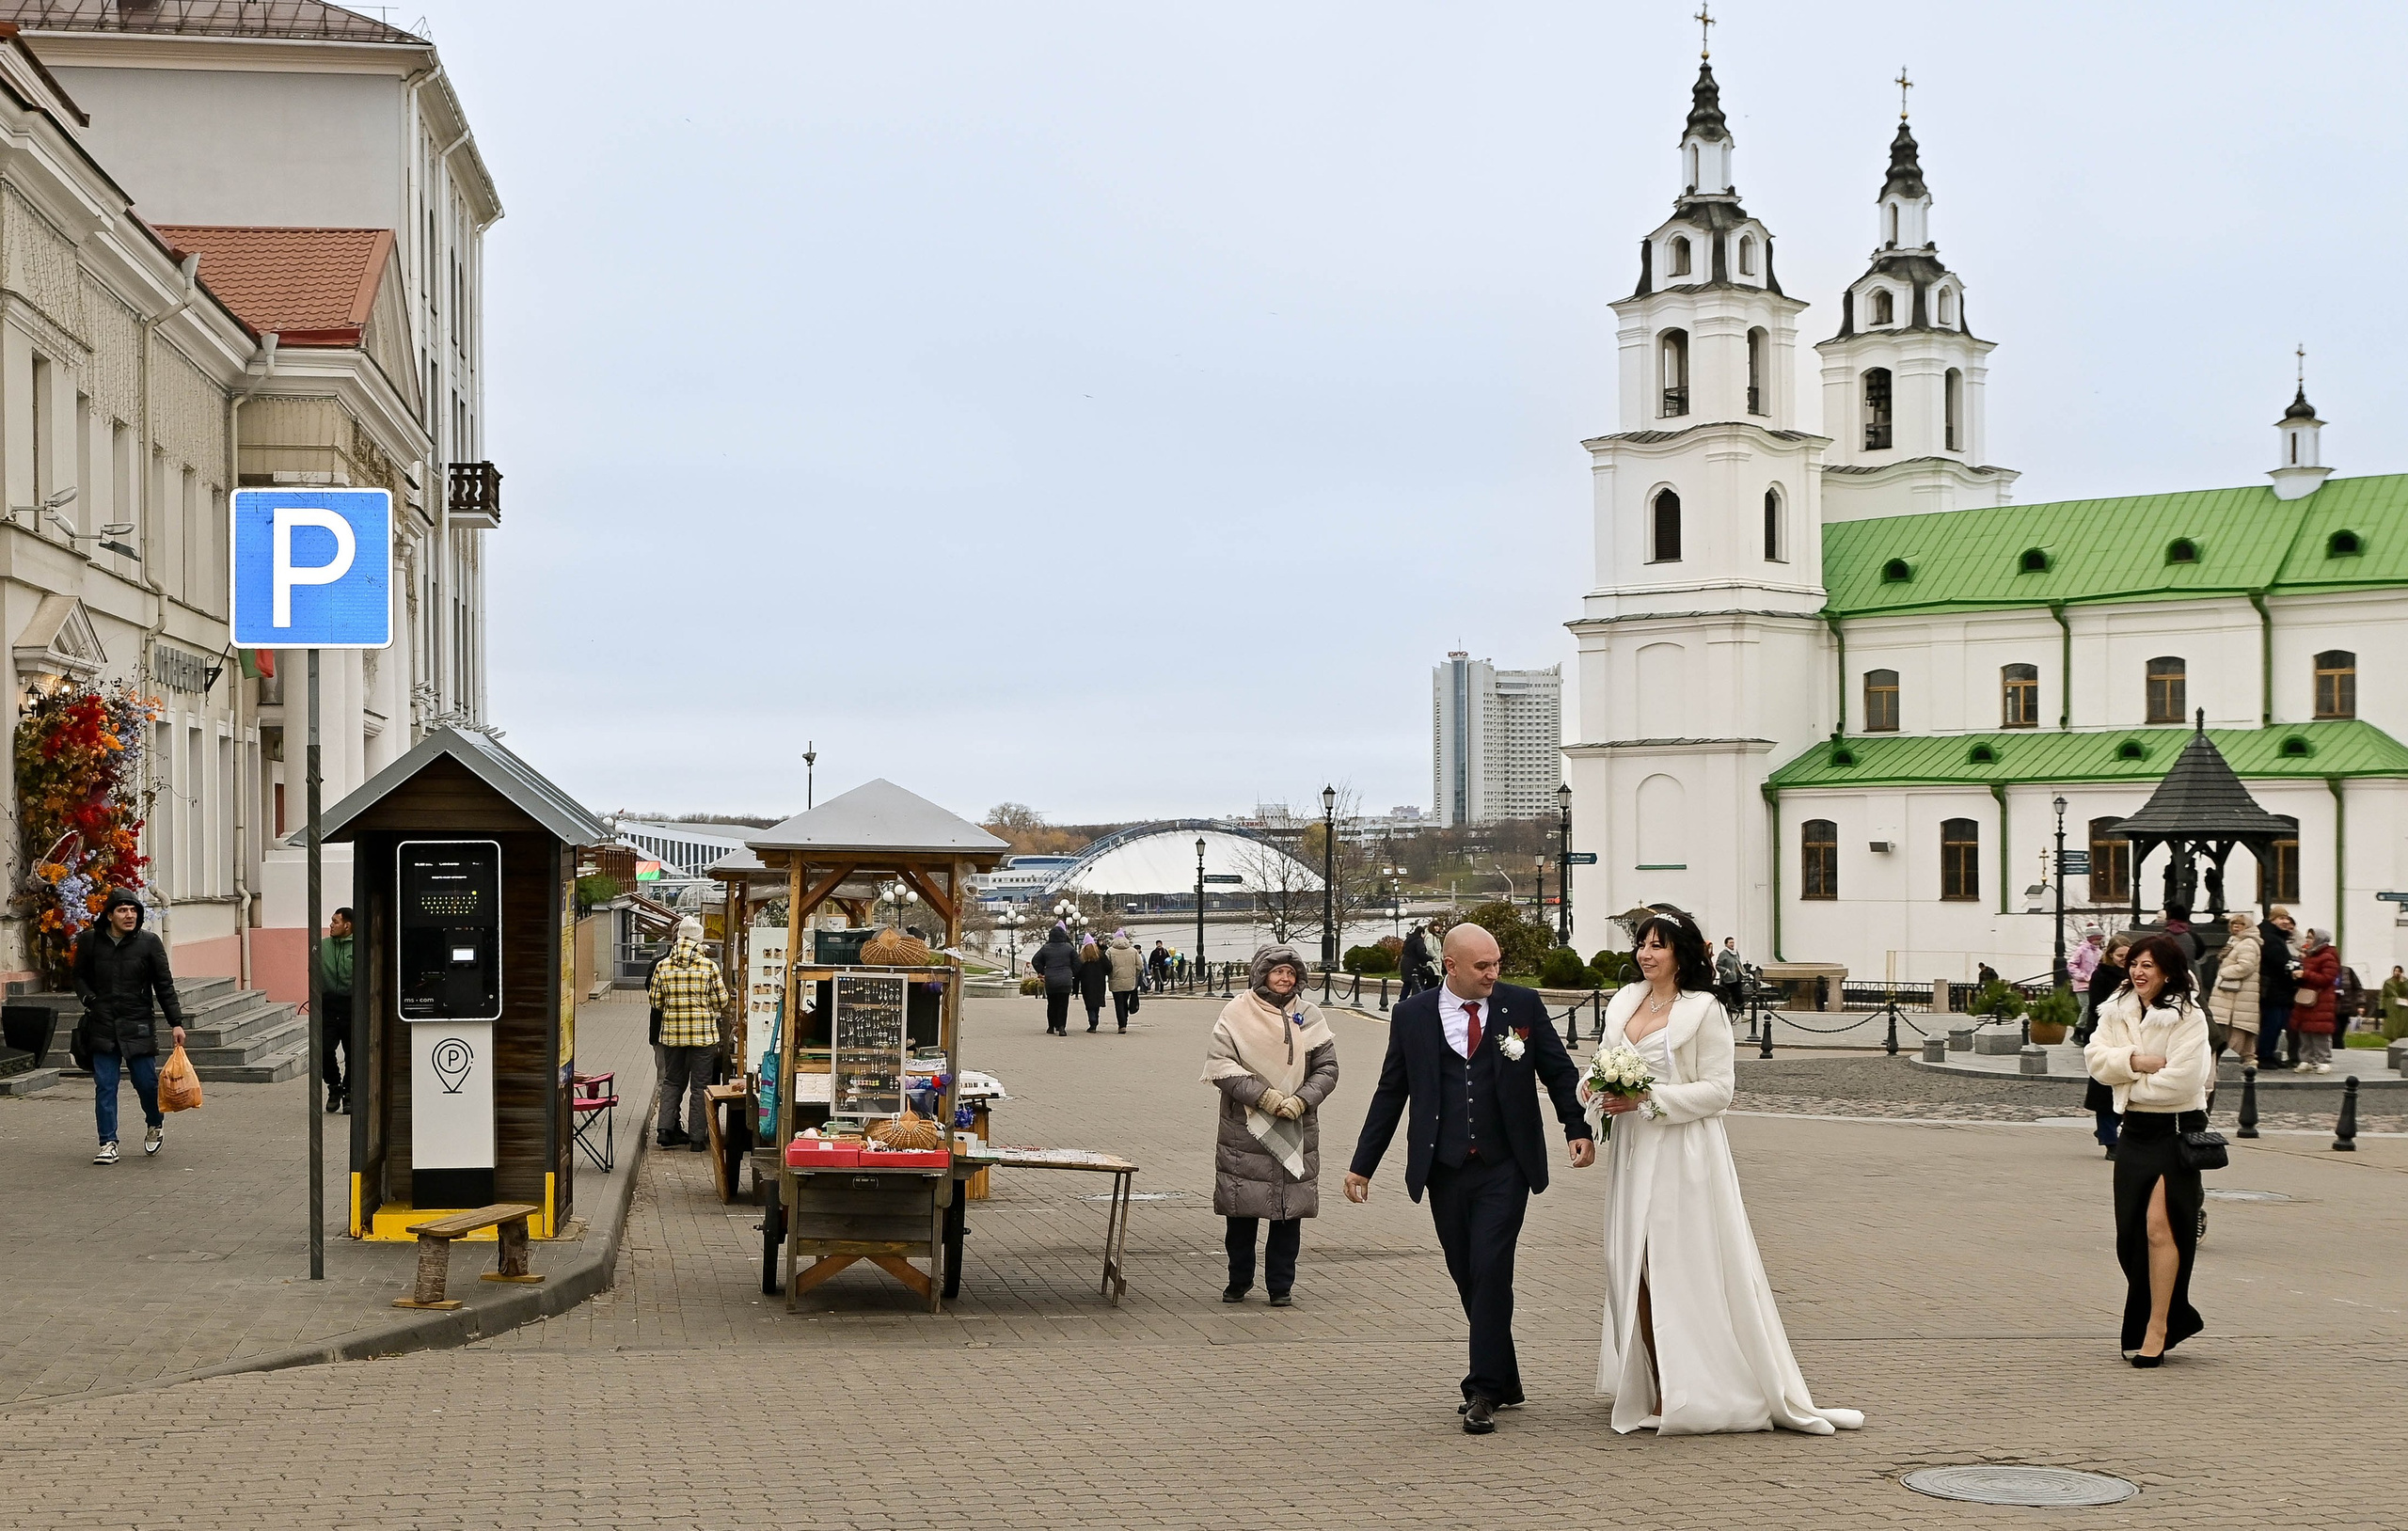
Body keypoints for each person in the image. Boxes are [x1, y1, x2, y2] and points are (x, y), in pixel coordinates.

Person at [1582, 911, 1861, 1436]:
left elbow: (1718, 1091)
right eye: (1642, 944)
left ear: (1681, 953)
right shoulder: (1624, 1001)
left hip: (1683, 1154)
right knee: (1632, 1265)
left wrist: (1648, 1098)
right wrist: (1594, 1091)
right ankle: (1652, 1380)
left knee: (1675, 1265)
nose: (1646, 954)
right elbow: (1603, 1063)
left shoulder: (1703, 1010)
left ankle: (1690, 1386)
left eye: (1658, 946)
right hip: (1633, 1153)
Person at [1346, 923, 1594, 1435]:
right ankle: (1506, 1378)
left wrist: (1577, 1126)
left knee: (1490, 1265)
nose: (1492, 973)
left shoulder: (1520, 1006)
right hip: (1445, 1167)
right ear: (1450, 966)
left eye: (1497, 963)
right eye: (1482, 966)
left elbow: (1558, 1070)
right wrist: (1362, 1163)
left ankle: (1482, 1388)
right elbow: (1391, 1092)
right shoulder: (1412, 1015)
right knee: (1467, 1272)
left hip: (1506, 1165)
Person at [2083, 931, 2213, 1365]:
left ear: (2167, 971)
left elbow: (2183, 1080)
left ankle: (2158, 1327)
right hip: (2134, 1132)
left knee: (2162, 1227)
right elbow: (2096, 1060)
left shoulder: (2188, 1015)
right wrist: (2135, 1063)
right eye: (2134, 964)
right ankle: (2165, 1316)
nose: (2138, 972)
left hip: (2176, 1129)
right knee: (2130, 1237)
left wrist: (2126, 1080)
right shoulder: (2115, 1009)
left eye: (2147, 966)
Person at [1202, 945, 1339, 1307]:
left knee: (1287, 1210)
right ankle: (1238, 1280)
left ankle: (1281, 1286)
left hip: (1297, 1123)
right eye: (1277, 972)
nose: (1284, 978)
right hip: (1244, 1128)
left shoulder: (1308, 1015)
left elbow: (1327, 1069)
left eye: (1291, 973)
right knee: (1242, 1209)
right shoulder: (1235, 1013)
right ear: (1261, 974)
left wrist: (1301, 1099)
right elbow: (1221, 1066)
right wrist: (1263, 1097)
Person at [72, 889, 188, 1165]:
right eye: (123, 910)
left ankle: (154, 1123)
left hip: (138, 1023)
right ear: (110, 915)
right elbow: (78, 976)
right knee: (105, 1085)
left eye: (134, 910)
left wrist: (176, 1023)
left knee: (146, 1083)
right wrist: (90, 999)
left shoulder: (149, 943)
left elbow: (164, 985)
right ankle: (108, 1142)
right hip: (102, 1024)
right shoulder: (90, 941)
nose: (130, 915)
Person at [647, 918, 728, 1151]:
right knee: (700, 1085)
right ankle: (696, 1139)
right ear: (698, 940)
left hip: (672, 1036)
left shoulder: (663, 966)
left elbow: (655, 1001)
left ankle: (664, 1130)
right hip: (703, 1037)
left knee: (672, 1081)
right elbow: (721, 1000)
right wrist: (706, 1007)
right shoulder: (708, 966)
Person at [2080, 932, 2134, 1158]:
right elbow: (2096, 1006)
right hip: (2105, 1035)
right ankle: (2110, 1140)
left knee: (2125, 1090)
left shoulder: (2135, 974)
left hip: (2129, 1037)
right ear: (2110, 955)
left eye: (2127, 955)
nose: (2123, 959)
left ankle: (2108, 1130)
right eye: (2119, 955)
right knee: (2104, 1092)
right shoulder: (2101, 975)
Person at [2211, 913, 2262, 1069]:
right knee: (2241, 1028)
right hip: (2238, 993)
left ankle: (2230, 1063)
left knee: (2238, 1028)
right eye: (2233, 924)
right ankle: (2248, 1059)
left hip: (2239, 994)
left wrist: (2224, 972)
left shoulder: (2247, 943)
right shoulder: (2237, 941)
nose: (2236, 927)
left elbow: (2246, 966)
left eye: (2240, 925)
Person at [320, 907, 356, 1114]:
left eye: (335, 922)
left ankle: (350, 1092)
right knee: (323, 1050)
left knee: (353, 1053)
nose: (331, 925)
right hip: (328, 1005)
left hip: (352, 1005)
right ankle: (334, 1086)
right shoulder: (323, 947)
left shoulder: (359, 947)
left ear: (347, 925)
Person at [2289, 928, 2339, 1074]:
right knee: (2305, 1030)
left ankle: (2324, 1060)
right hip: (2306, 999)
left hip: (2321, 999)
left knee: (2319, 1032)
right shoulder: (2309, 956)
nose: (2307, 940)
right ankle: (2306, 1059)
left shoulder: (2328, 956)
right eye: (2307, 937)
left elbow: (2327, 979)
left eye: (2310, 938)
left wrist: (2305, 974)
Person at [2258, 906, 2297, 1070]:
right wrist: (2292, 967)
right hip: (2274, 989)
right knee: (2272, 1023)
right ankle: (2264, 1055)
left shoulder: (2277, 937)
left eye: (2287, 919)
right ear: (2272, 920)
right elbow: (2278, 961)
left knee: (2276, 1023)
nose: (2286, 922)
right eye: (2281, 918)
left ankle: (2269, 1054)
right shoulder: (2271, 938)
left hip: (2278, 989)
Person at [1030, 924, 1078, 1034]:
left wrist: (1042, 971)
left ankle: (1051, 1027)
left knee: (1051, 1004)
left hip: (1051, 980)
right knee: (1063, 1004)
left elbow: (1035, 960)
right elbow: (1078, 962)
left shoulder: (1046, 948)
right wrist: (1071, 972)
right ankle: (1061, 1027)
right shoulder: (1069, 948)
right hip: (1065, 980)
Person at [1106, 935, 1144, 1033]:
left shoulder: (1110, 951)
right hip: (1129, 981)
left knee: (1118, 1003)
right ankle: (1125, 1021)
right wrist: (1134, 973)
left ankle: (1121, 1025)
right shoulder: (1133, 951)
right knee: (1125, 1001)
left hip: (1115, 981)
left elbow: (1106, 966)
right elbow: (1140, 966)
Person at [1075, 938, 1109, 1033]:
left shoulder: (1082, 958)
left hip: (1086, 983)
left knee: (1089, 1003)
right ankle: (1095, 1020)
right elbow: (1109, 967)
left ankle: (1092, 1020)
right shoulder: (1101, 955)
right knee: (1097, 1002)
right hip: (1099, 982)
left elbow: (1077, 972)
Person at [1399, 923, 1434, 997]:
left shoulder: (1408, 940)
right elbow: (1421, 953)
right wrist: (1430, 958)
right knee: (1419, 984)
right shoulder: (1419, 941)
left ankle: (1401, 1000)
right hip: (1414, 965)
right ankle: (1419, 1000)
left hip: (1404, 964)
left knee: (1407, 984)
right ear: (1421, 933)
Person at [1715, 938, 1745, 1017]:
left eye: (1733, 942)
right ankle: (1724, 1013)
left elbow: (1739, 963)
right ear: (1726, 944)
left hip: (1736, 978)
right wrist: (1726, 971)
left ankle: (1742, 1013)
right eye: (1730, 943)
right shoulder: (1723, 953)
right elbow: (1718, 965)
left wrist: (1743, 972)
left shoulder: (1736, 953)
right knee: (1726, 996)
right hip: (1727, 980)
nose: (1732, 944)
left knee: (1739, 995)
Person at [2382, 965, 2408, 1043]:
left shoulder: (2405, 982)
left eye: (2398, 971)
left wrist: (2402, 983)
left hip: (2403, 1007)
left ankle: (2402, 1041)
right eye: (2395, 971)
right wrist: (2382, 1007)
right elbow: (2383, 995)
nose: (2397, 973)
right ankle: (2392, 1041)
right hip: (2391, 1007)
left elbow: (2405, 991)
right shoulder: (2388, 982)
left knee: (2403, 1026)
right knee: (2392, 1026)